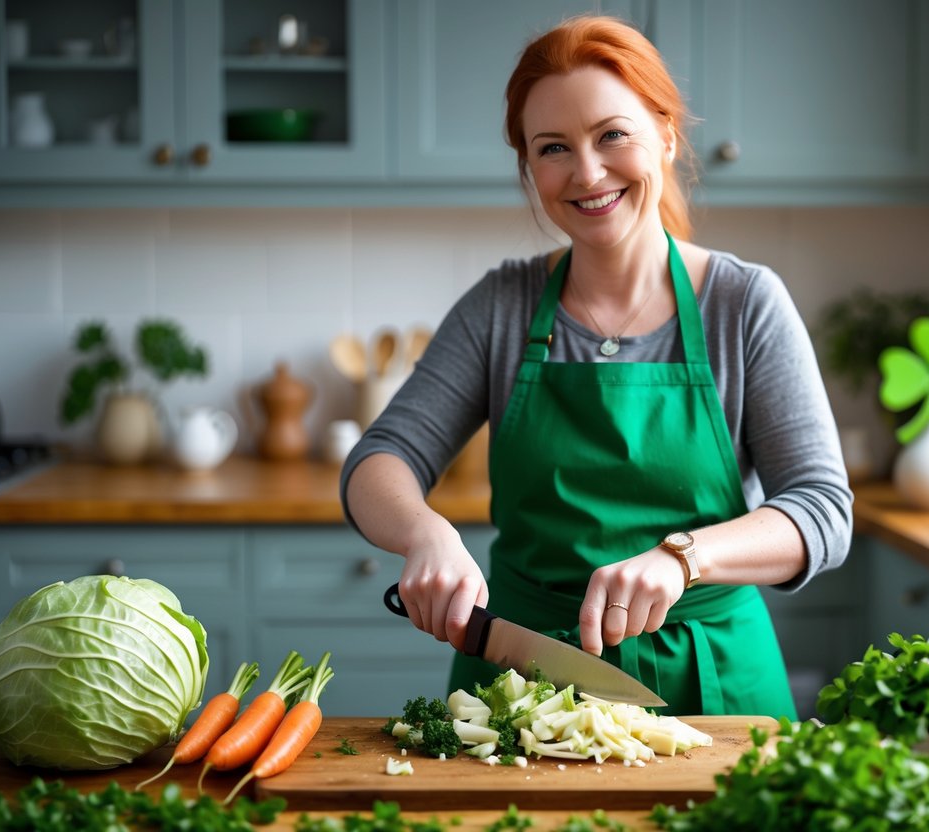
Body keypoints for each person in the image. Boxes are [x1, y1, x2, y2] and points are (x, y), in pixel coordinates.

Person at [341, 15, 852, 718]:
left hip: (718, 685)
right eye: (553, 148)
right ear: (529, 168)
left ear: (666, 135)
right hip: (520, 686)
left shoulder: (742, 303)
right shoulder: (503, 306)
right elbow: (382, 457)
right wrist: (423, 532)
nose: (586, 173)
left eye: (612, 134)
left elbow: (820, 511)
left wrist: (682, 557)